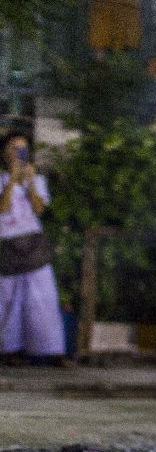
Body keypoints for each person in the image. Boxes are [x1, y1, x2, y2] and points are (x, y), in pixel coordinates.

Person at [0, 132, 65, 362]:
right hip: (6, 243)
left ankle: (50, 350)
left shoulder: (36, 179)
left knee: (43, 298)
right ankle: (10, 350)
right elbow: (3, 208)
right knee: (8, 300)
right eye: (13, 148)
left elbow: (39, 209)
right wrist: (10, 181)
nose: (18, 153)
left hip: (33, 243)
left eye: (22, 149)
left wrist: (29, 184)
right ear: (5, 153)